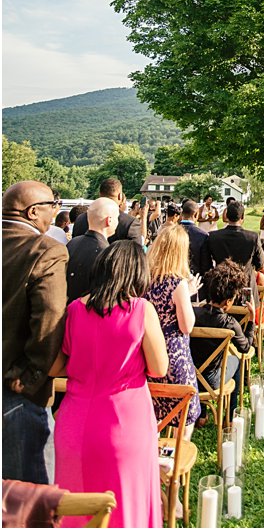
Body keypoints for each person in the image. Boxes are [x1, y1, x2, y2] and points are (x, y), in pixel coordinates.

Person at [53, 241, 168, 528]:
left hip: (74, 425)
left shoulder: (75, 309)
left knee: (76, 511)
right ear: (137, 273)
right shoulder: (141, 310)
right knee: (127, 509)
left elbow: (56, 366)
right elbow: (159, 367)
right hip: (124, 423)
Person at [2, 181, 67, 483]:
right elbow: (50, 317)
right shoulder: (45, 250)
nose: (56, 211)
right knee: (29, 500)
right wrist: (30, 378)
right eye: (53, 205)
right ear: (33, 211)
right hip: (17, 391)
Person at [145, 226, 202, 438]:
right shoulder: (177, 283)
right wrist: (187, 295)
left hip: (148, 352)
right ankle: (175, 464)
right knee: (184, 416)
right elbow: (187, 326)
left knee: (154, 414)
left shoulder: (144, 279)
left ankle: (154, 462)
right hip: (173, 354)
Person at [190, 260, 255, 422]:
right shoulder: (229, 323)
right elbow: (245, 348)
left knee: (200, 357)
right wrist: (252, 320)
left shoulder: (192, 313)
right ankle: (231, 415)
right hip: (212, 381)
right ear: (228, 302)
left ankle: (202, 415)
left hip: (190, 377)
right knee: (237, 361)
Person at [207, 200, 264, 309]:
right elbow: (260, 264)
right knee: (247, 322)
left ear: (227, 216)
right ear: (242, 217)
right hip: (245, 288)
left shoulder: (213, 237)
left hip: (220, 290)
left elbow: (207, 265)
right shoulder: (252, 237)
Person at [66, 198, 118, 303]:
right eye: (117, 218)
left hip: (68, 310)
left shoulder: (72, 243)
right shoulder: (107, 253)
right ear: (109, 220)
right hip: (89, 312)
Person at [72, 177, 140, 245]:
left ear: (100, 194)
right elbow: (137, 252)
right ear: (120, 196)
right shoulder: (130, 223)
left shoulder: (80, 219)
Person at [179, 200, 212, 278]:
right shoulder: (203, 235)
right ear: (196, 214)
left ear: (182, 213)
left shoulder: (171, 231)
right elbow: (205, 264)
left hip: (173, 277)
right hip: (194, 277)